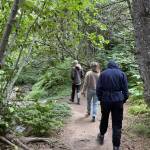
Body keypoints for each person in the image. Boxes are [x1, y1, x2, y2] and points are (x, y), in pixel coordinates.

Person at [96, 60, 128, 150]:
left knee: (104, 118)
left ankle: (101, 136)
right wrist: (123, 99)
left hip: (105, 100)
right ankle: (116, 146)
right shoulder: (122, 74)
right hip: (118, 100)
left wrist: (100, 98)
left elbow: (98, 88)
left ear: (108, 66)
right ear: (116, 65)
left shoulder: (103, 74)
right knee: (117, 123)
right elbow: (125, 90)